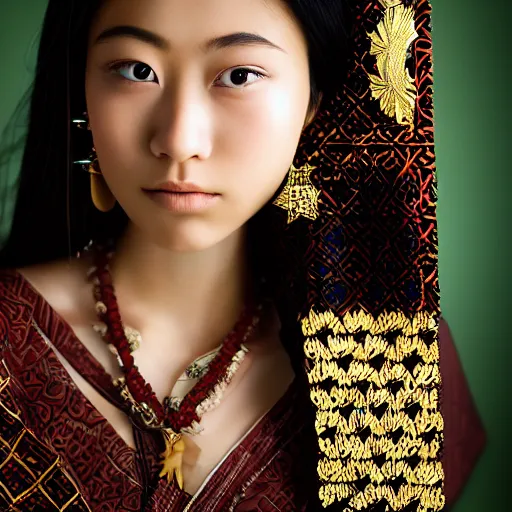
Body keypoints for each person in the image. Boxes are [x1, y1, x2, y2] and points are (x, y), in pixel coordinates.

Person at [0, 0, 485, 510]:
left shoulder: (395, 372)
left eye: (239, 74)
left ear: (315, 101)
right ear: (83, 90)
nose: (179, 140)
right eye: (136, 70)